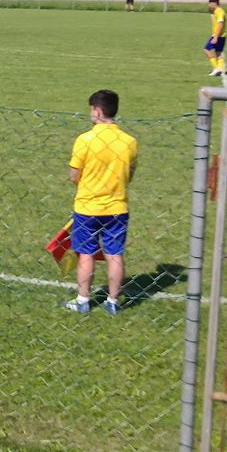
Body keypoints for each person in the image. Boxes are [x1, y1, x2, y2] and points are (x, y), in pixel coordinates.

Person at [63, 89, 139, 315]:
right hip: (117, 207)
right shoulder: (129, 142)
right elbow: (130, 174)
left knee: (86, 253)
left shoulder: (85, 140)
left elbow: (74, 175)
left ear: (97, 111)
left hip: (87, 207)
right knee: (114, 254)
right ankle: (113, 301)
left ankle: (83, 299)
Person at [205, 0, 227, 77]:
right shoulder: (217, 11)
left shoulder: (219, 12)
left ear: (214, 3)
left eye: (210, 4)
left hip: (218, 36)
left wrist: (216, 37)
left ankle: (215, 68)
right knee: (218, 52)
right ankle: (220, 70)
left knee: (206, 49)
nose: (209, 5)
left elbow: (220, 24)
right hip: (222, 35)